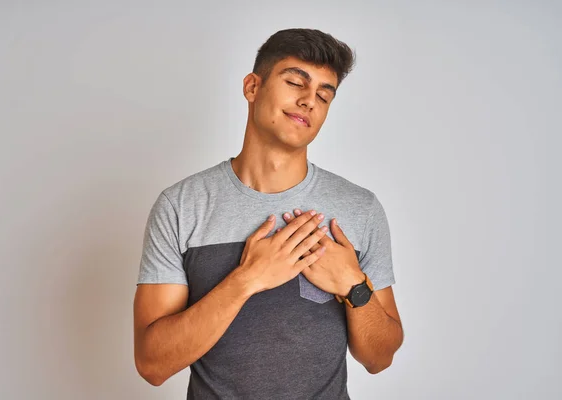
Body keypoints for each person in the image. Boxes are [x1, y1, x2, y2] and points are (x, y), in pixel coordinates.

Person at [133, 28, 404, 399]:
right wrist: (247, 279)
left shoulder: (360, 208)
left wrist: (353, 286)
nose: (310, 101)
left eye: (324, 95)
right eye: (296, 82)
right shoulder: (181, 205)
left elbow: (380, 358)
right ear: (252, 87)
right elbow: (152, 365)